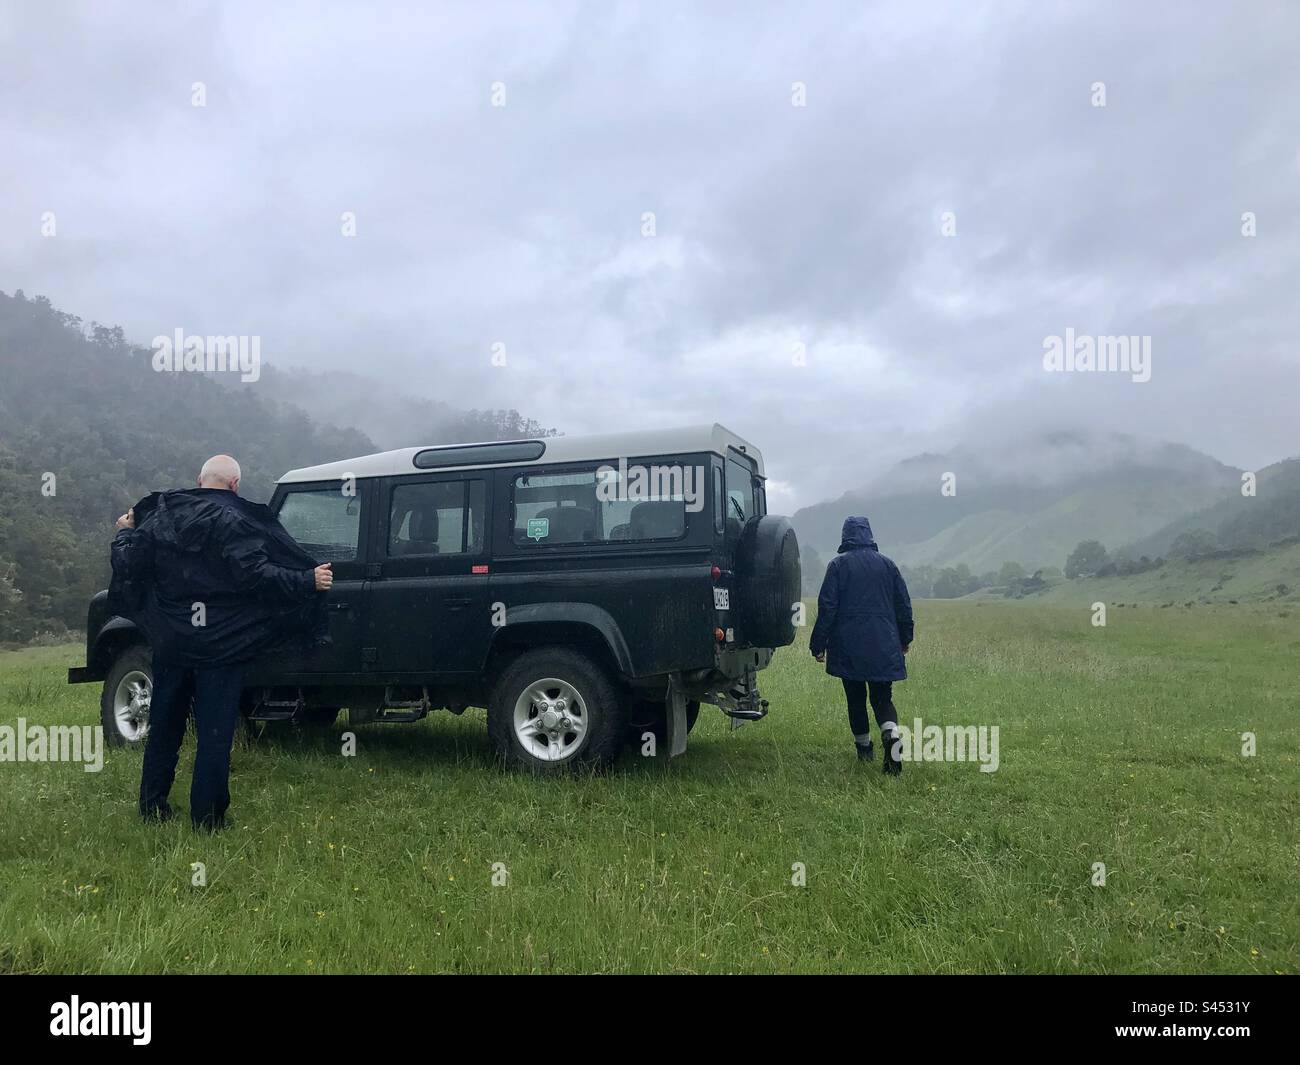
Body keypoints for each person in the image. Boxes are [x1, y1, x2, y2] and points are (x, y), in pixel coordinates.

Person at [109, 455, 332, 829]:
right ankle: (208, 819)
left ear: (199, 479)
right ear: (234, 486)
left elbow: (128, 565)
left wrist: (122, 533)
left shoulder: (162, 513)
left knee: (164, 726)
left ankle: (152, 807)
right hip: (222, 646)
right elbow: (257, 576)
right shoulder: (237, 520)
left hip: (173, 643)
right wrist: (306, 581)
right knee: (215, 733)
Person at [808, 515, 914, 774]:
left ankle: (864, 751)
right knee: (882, 697)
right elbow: (904, 606)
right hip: (884, 644)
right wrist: (905, 638)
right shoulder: (888, 566)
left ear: (846, 537)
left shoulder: (837, 566)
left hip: (849, 646)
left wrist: (818, 644)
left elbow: (828, 608)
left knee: (855, 698)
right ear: (869, 535)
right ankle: (891, 736)